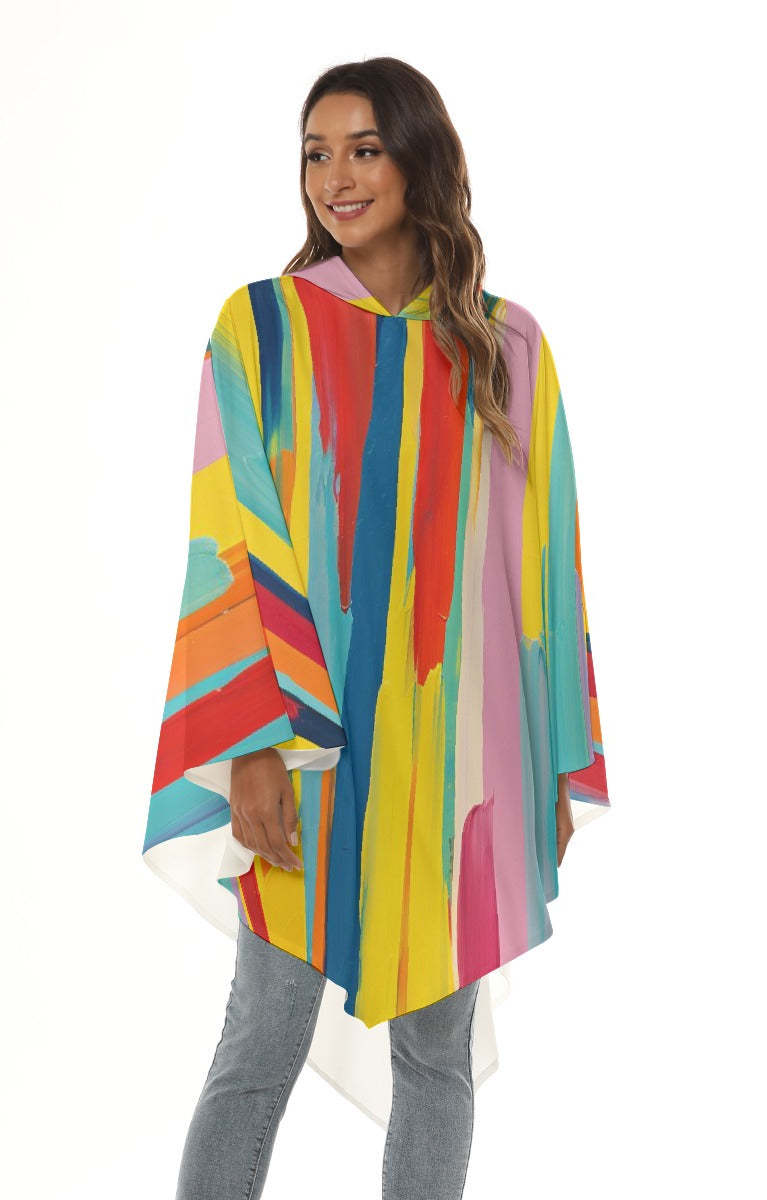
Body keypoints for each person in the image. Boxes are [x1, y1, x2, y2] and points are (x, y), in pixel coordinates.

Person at [142, 56, 611, 1200]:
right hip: (306, 742)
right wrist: (252, 744)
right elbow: (230, 533)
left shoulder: (506, 347)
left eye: (364, 149)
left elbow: (545, 561)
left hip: (456, 762)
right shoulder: (263, 329)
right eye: (316, 153)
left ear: (418, 160)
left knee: (437, 1057)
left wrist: (552, 755)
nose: (336, 177)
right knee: (262, 1038)